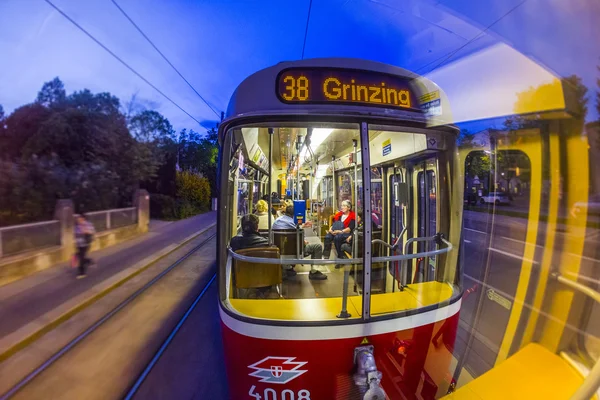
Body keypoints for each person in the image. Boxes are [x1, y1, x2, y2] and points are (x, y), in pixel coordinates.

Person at [272, 206, 326, 280]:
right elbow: (300, 237)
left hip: (280, 251)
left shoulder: (277, 221)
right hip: (295, 251)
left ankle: (287, 268)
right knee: (317, 247)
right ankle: (314, 272)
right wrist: (304, 241)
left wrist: (302, 226)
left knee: (287, 245)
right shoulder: (294, 223)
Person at [74, 214, 95, 279]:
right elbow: (75, 234)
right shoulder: (76, 226)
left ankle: (82, 273)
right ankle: (89, 261)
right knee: (80, 256)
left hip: (86, 244)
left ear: (83, 219)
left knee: (81, 259)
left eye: (79, 218)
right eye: (77, 218)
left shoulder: (88, 224)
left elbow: (91, 232)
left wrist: (83, 228)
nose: (78, 219)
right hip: (79, 244)